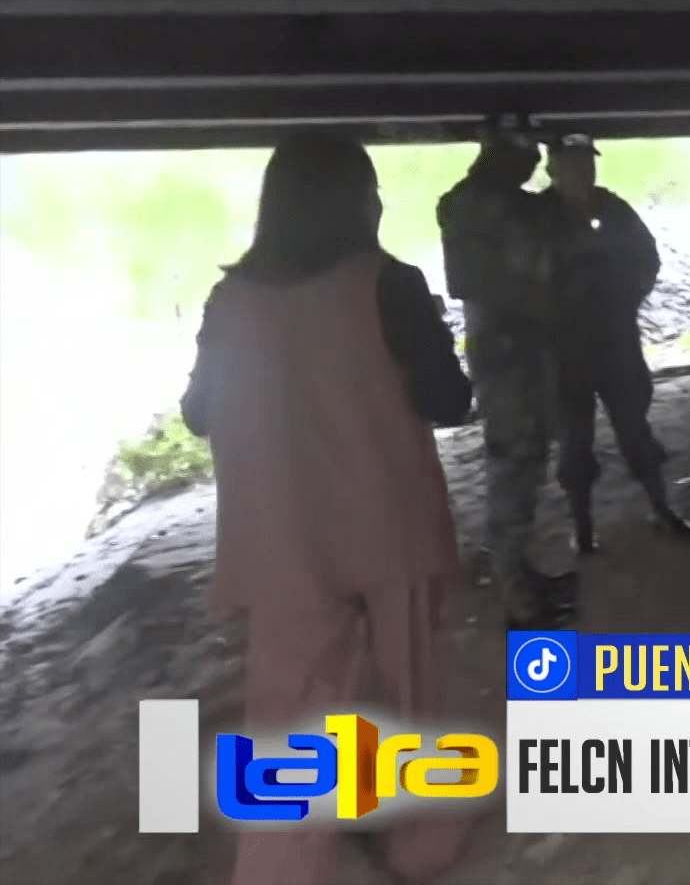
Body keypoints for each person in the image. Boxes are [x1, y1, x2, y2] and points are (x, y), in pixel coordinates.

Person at [180, 132, 474, 885]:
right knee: (409, 690)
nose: (379, 204)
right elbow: (449, 402)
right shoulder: (389, 284)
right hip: (391, 526)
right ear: (354, 203)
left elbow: (198, 415)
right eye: (371, 191)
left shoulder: (229, 301)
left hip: (282, 543)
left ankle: (277, 868)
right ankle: (419, 845)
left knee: (287, 716)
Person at [436, 112, 573, 630]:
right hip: (506, 357)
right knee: (513, 466)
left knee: (529, 462)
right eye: (523, 149)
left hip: (530, 353)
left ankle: (521, 573)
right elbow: (465, 279)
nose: (532, 159)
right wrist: (536, 303)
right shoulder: (468, 204)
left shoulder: (515, 203)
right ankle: (516, 596)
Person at [540, 133, 690, 554]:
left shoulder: (613, 208)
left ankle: (662, 509)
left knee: (635, 430)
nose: (582, 172)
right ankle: (583, 529)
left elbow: (648, 257)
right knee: (574, 442)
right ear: (553, 168)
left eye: (587, 163)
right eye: (572, 164)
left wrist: (629, 295)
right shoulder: (538, 215)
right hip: (564, 349)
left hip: (615, 341)